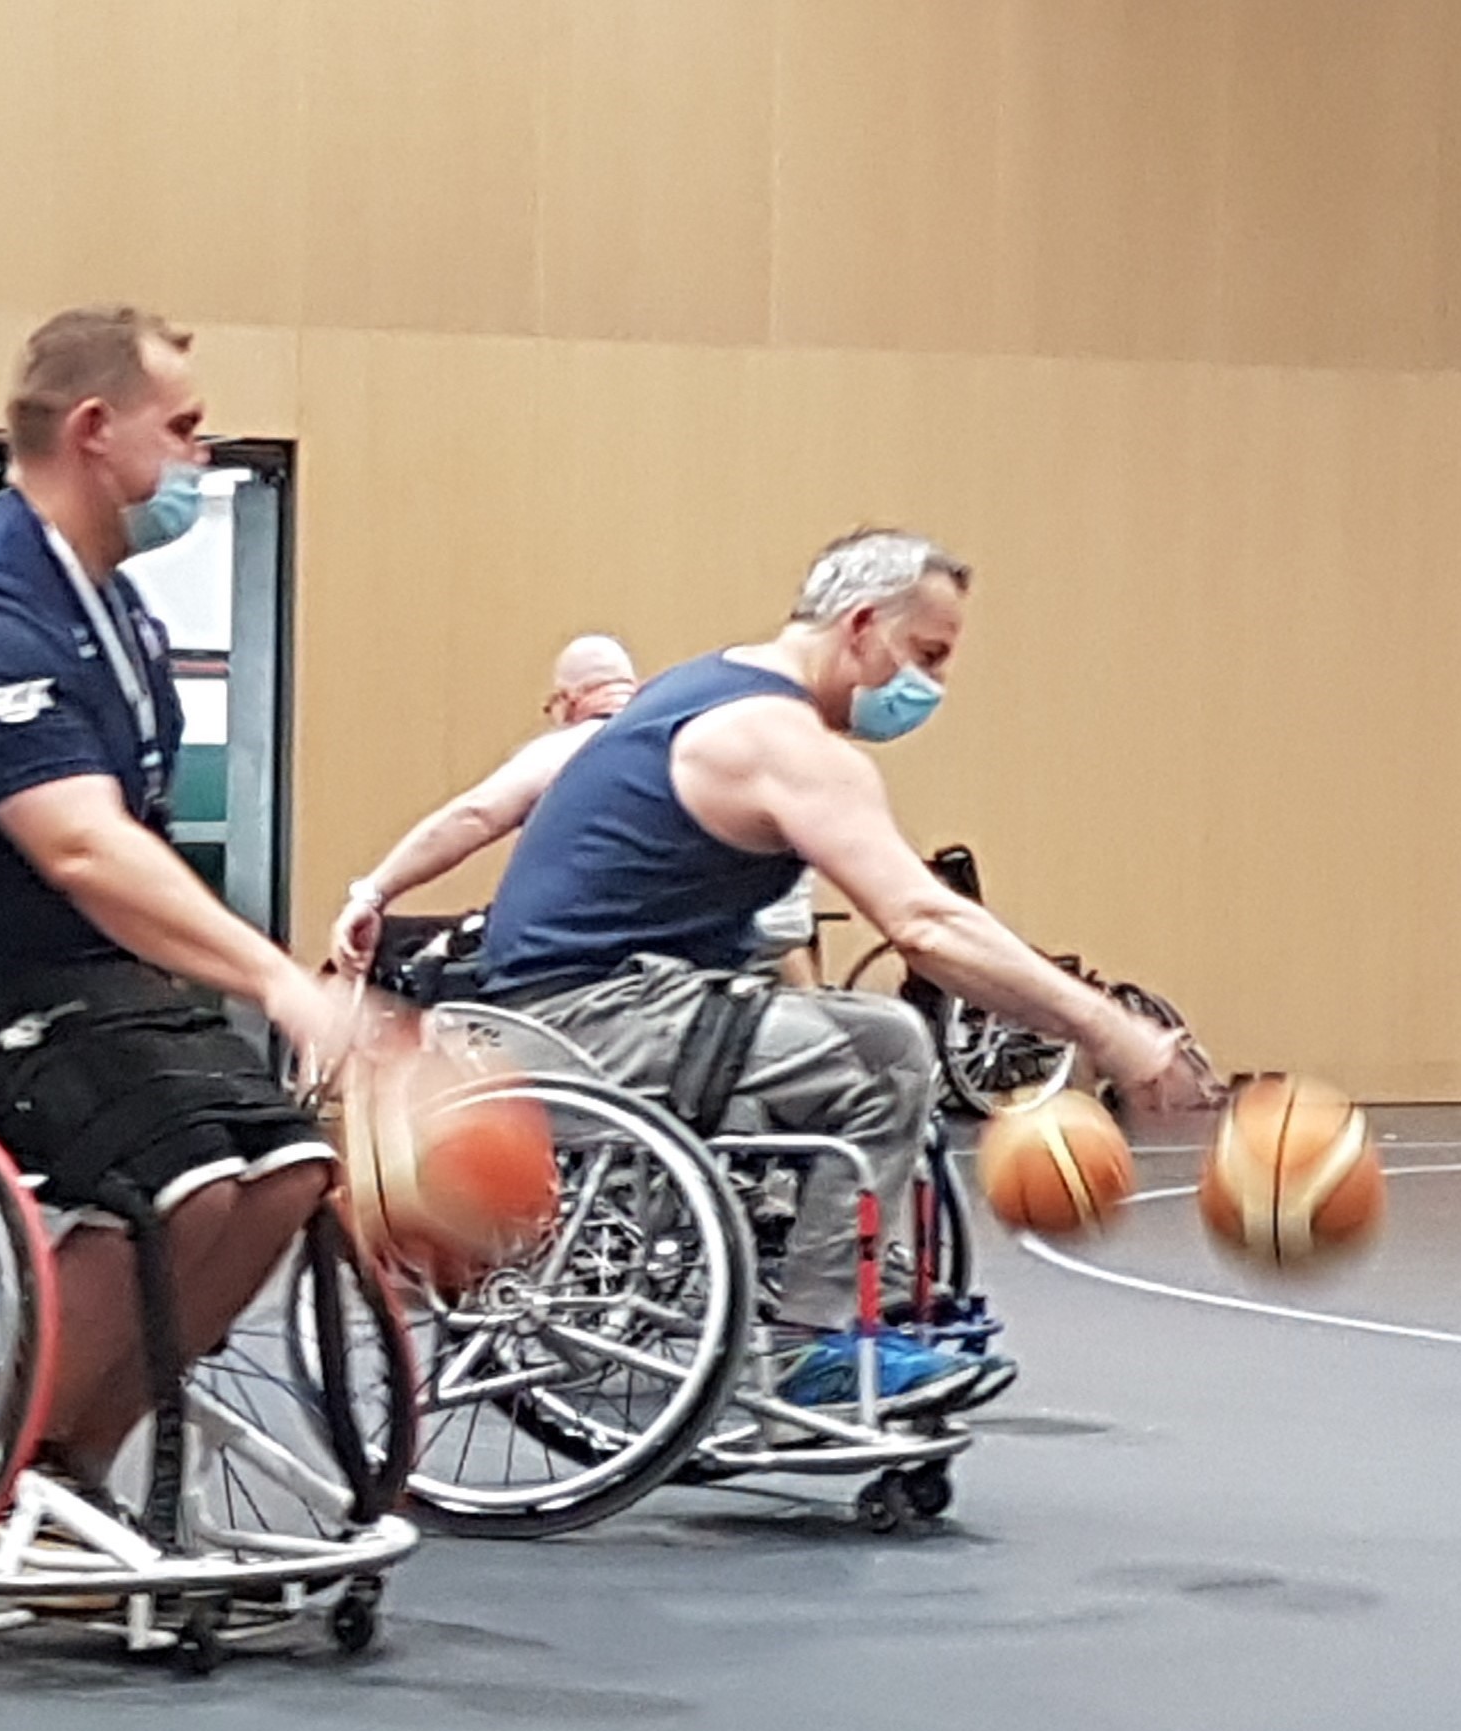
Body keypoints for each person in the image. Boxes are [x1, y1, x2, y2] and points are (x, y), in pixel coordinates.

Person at [0, 304, 362, 1488]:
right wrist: (279, 982)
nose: (202, 456)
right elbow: (84, 849)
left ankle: (81, 1456)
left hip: (55, 978)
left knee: (289, 1165)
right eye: (185, 428)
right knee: (180, 1184)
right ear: (97, 430)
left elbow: (127, 861)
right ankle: (18, 1475)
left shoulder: (123, 620)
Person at [475, 527, 1220, 1411]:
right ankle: (809, 1343)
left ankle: (853, 1289)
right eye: (929, 656)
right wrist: (1109, 1029)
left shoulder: (714, 685)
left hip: (594, 1002)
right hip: (590, 1020)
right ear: (862, 626)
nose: (932, 688)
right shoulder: (779, 739)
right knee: (871, 1068)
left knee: (887, 1040)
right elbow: (926, 923)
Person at [326, 634, 638, 976]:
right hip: (655, 952)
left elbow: (475, 814)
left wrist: (373, 893)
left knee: (392, 953)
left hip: (563, 949)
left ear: (567, 700)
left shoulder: (566, 749)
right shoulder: (665, 752)